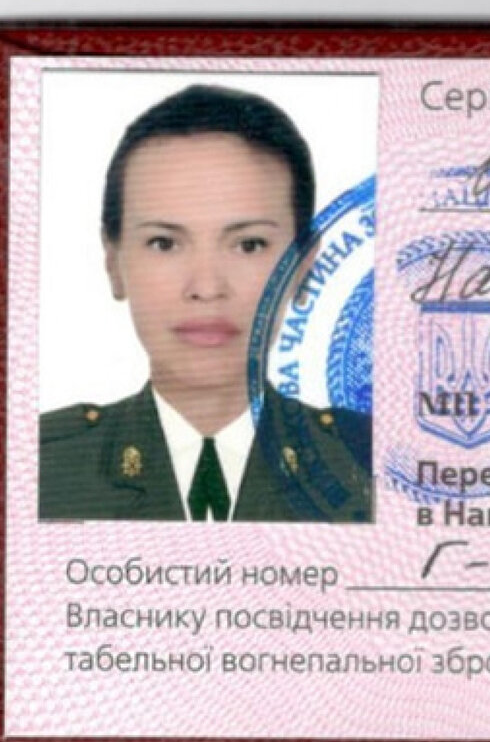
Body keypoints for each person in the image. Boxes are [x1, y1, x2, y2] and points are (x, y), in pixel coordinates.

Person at [39, 85, 372, 522]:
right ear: (113, 262)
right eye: (164, 243)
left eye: (249, 244)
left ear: (304, 267)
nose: (207, 287)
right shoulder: (41, 469)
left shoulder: (369, 467)